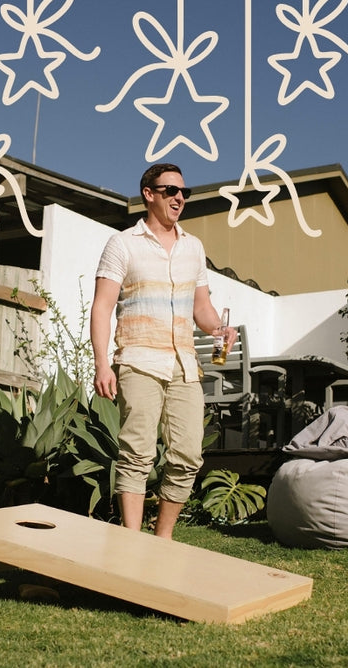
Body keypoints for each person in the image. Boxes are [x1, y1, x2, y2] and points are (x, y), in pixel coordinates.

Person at [91, 162, 236, 539]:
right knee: (137, 453)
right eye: (171, 190)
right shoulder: (123, 244)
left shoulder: (193, 247)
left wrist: (219, 329)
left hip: (184, 364)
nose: (179, 197)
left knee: (188, 455)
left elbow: (201, 308)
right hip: (138, 359)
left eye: (184, 192)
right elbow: (102, 307)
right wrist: (102, 364)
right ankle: (131, 541)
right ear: (149, 194)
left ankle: (163, 539)